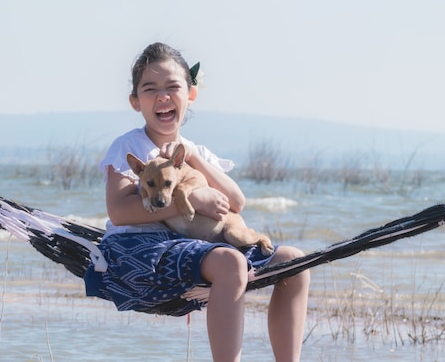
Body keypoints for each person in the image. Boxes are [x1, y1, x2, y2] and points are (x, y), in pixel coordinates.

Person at [83, 42, 310, 362]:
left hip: (200, 243)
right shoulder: (129, 146)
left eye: (172, 87)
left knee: (294, 261)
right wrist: (190, 200)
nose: (162, 96)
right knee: (230, 263)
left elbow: (236, 202)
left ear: (190, 94)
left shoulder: (196, 152)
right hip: (145, 249)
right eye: (150, 89)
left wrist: (191, 158)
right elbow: (119, 213)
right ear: (135, 101)